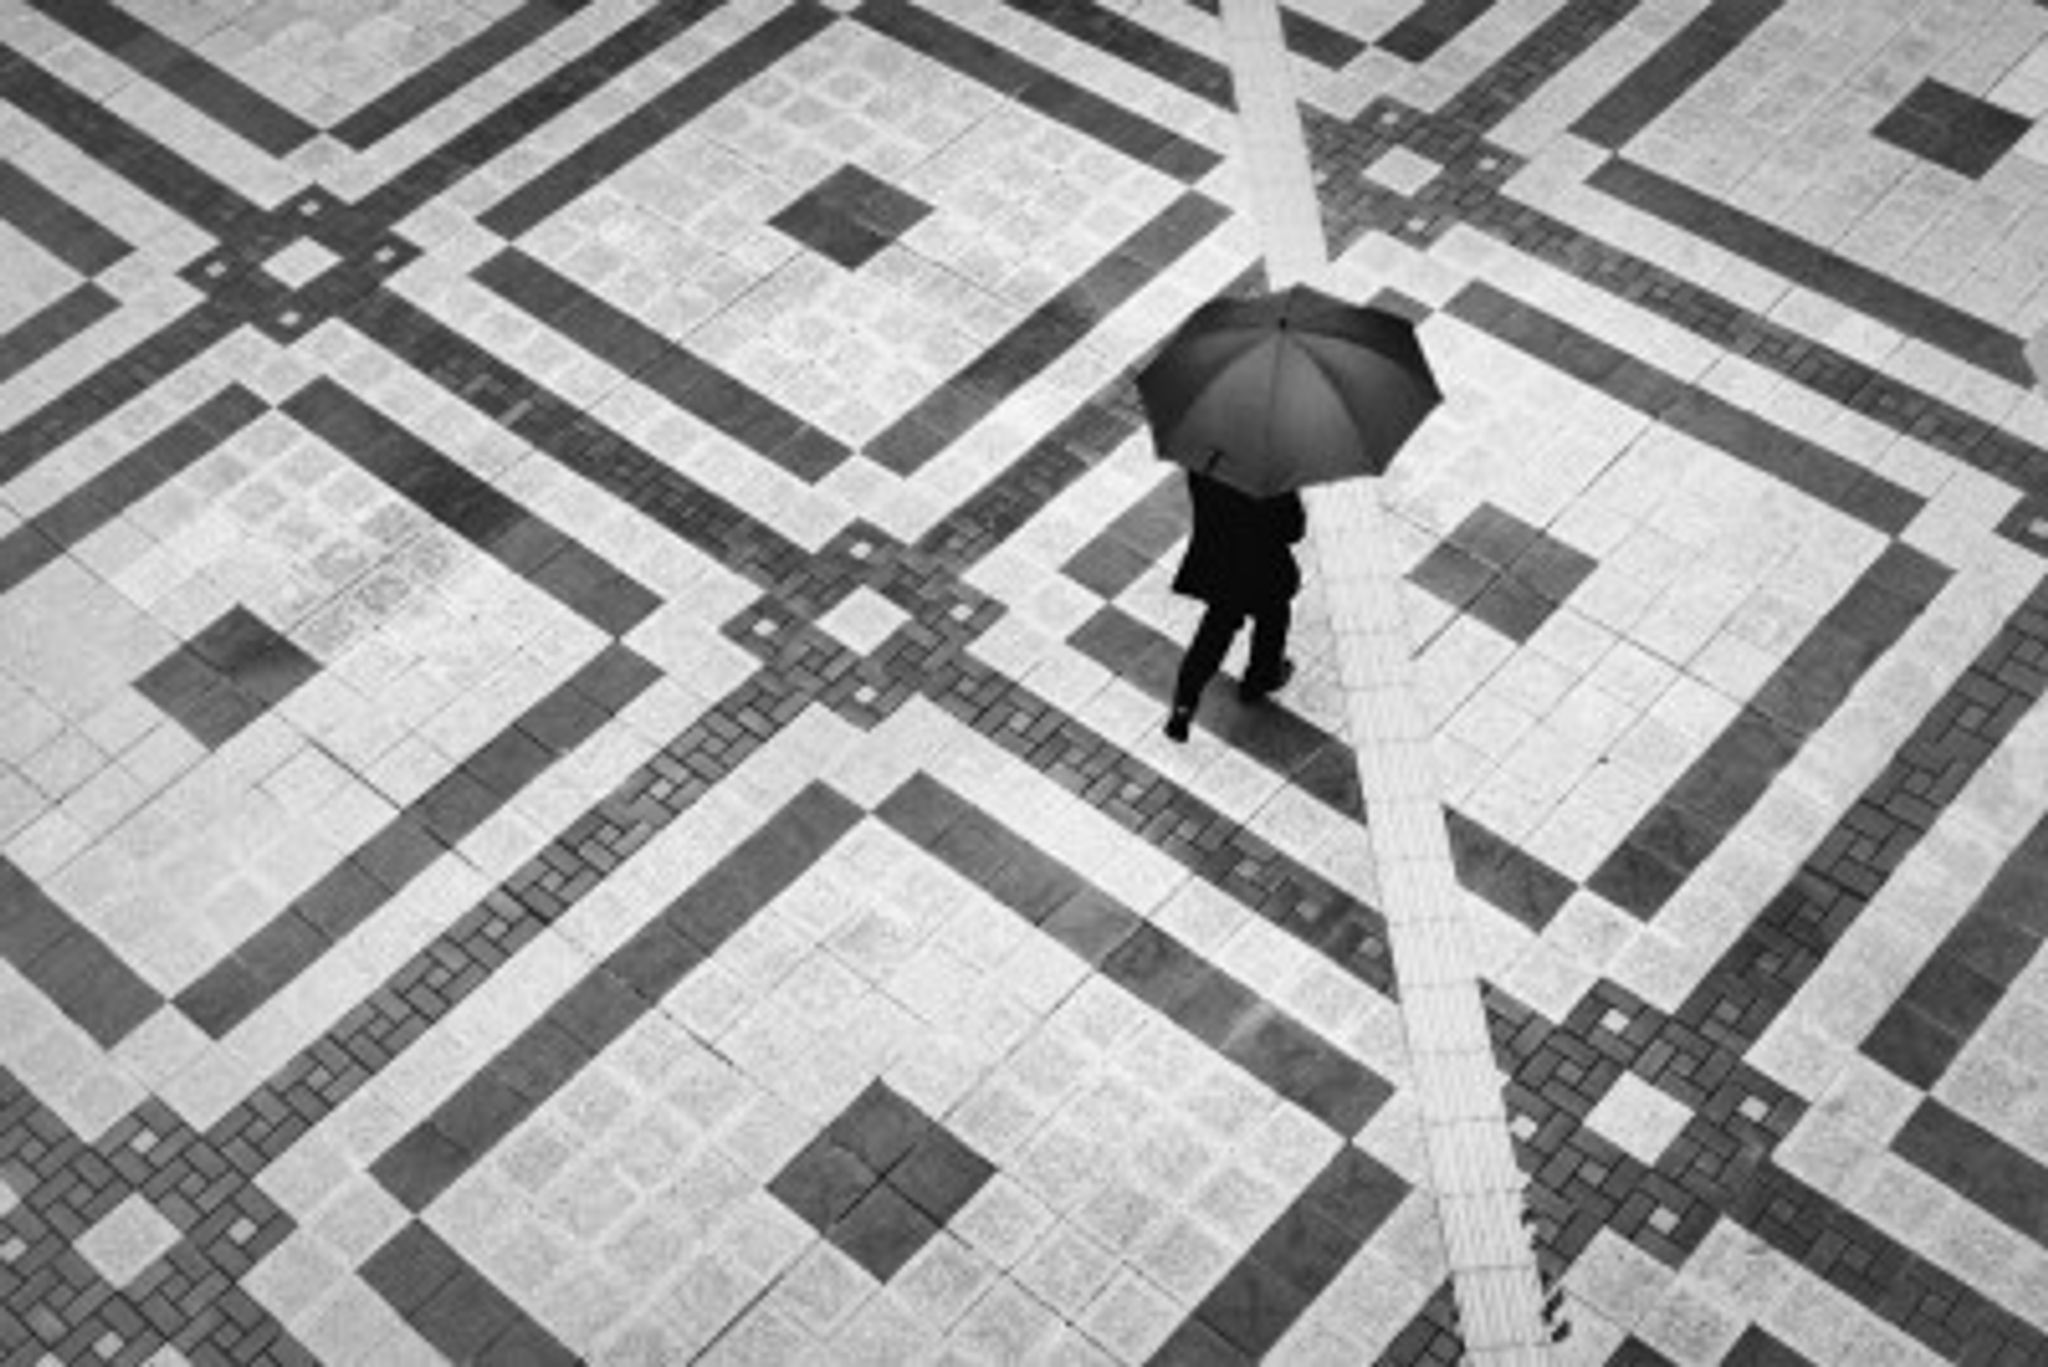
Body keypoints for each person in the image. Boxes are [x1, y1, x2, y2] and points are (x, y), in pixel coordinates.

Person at [1165, 457, 1305, 741]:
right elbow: (1293, 530)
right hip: (1263, 566)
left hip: (1219, 561)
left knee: (1215, 629)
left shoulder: (1202, 461)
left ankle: (1184, 702)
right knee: (1274, 616)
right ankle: (1260, 678)